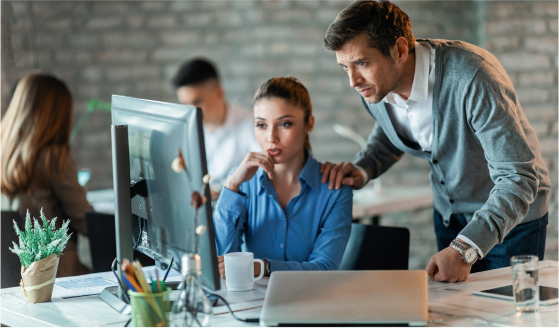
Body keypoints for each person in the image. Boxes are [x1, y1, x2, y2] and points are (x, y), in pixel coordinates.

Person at [321, 0, 550, 283]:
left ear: (400, 49)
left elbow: (519, 177)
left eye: (361, 63)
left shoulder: (472, 76)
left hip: (512, 221)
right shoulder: (376, 86)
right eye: (344, 67)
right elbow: (395, 129)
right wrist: (363, 168)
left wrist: (464, 248)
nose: (353, 81)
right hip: (449, 218)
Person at [214, 77, 353, 278]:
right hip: (249, 302)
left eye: (284, 124)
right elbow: (222, 261)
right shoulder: (244, 182)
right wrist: (231, 185)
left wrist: (263, 267)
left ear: (308, 125)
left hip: (309, 302)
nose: (271, 137)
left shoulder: (334, 189)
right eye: (261, 125)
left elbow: (325, 268)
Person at [0, 72, 93, 277]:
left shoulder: (3, 149)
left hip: (12, 275)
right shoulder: (52, 155)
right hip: (53, 274)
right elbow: (84, 220)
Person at [172, 58, 260, 200]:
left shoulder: (250, 125)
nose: (191, 112)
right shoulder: (187, 130)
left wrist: (221, 189)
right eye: (185, 104)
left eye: (197, 102)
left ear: (219, 92)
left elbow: (266, 174)